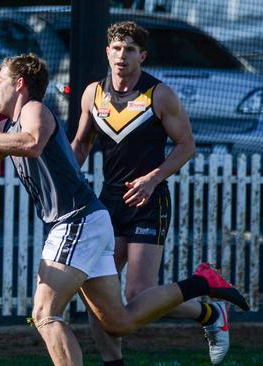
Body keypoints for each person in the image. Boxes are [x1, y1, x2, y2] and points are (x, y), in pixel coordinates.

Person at [0, 53, 249, 366]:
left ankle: (204, 288)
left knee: (44, 313)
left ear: (19, 84)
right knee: (118, 321)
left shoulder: (34, 110)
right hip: (88, 222)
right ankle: (203, 284)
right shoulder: (5, 127)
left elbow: (32, 142)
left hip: (75, 221)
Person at [70, 21, 228, 365]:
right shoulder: (91, 94)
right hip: (107, 204)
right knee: (97, 293)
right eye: (115, 48)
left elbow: (187, 146)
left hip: (148, 201)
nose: (121, 55)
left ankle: (209, 313)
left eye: (129, 49)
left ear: (142, 56)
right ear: (107, 52)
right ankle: (114, 362)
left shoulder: (159, 94)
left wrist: (152, 179)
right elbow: (81, 144)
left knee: (137, 293)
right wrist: (64, 178)